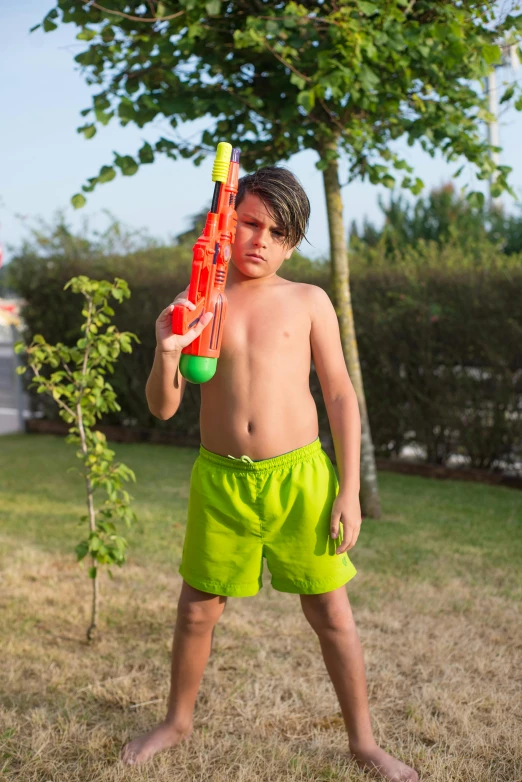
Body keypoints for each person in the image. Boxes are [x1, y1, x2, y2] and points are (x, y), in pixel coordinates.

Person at [121, 166, 419, 781]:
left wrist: (349, 493)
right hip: (221, 481)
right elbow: (163, 406)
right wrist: (166, 349)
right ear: (225, 223)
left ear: (292, 243)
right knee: (197, 610)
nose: (260, 240)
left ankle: (363, 742)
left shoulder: (308, 300)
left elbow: (339, 394)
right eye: (250, 223)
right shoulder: (201, 299)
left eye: (278, 232)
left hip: (299, 478)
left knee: (331, 612)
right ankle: (177, 722)